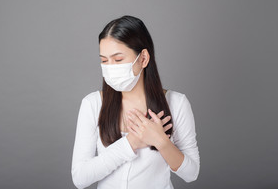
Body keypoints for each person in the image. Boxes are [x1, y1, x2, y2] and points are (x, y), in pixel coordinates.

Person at [71, 15, 200, 189]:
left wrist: (161, 141)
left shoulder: (176, 103)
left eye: (118, 60)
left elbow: (191, 173)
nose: (110, 67)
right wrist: (132, 142)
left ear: (143, 58)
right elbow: (80, 178)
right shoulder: (93, 104)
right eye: (104, 60)